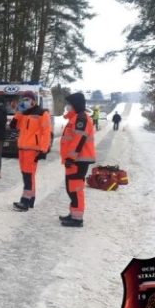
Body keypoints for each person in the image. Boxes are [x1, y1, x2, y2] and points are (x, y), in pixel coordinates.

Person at [59, 92, 96, 227]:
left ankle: (77, 219)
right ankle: (73, 213)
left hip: (78, 160)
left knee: (75, 189)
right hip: (74, 160)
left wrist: (71, 157)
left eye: (69, 104)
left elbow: (79, 140)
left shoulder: (81, 119)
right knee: (71, 188)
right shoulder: (75, 118)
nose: (67, 106)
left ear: (75, 104)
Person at [11, 91, 52, 211]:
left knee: (28, 175)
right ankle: (31, 199)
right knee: (27, 174)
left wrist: (43, 150)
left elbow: (46, 132)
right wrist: (18, 112)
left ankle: (25, 201)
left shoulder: (42, 113)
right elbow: (14, 126)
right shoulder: (23, 113)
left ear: (34, 100)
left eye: (28, 99)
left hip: (32, 149)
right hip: (22, 148)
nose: (26, 101)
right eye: (24, 99)